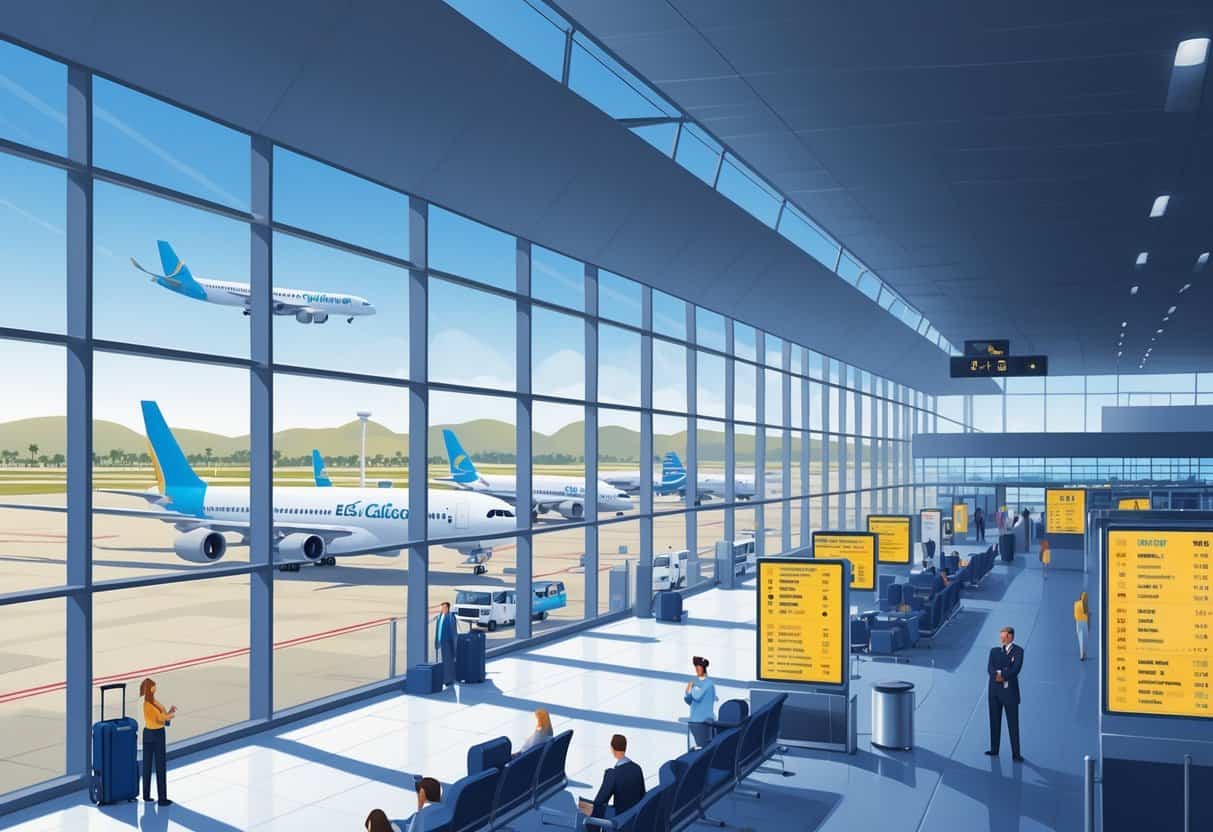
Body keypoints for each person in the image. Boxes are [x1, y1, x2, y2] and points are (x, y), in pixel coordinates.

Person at [579, 734, 645, 820]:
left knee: (582, 805)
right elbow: (642, 794)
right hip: (634, 816)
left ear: (612, 749)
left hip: (619, 819)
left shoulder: (612, 774)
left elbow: (600, 801)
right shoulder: (637, 768)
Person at [985, 626, 1025, 762]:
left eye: (1004, 635)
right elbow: (990, 668)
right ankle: (994, 749)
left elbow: (1015, 669)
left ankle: (1016, 754)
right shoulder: (994, 651)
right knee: (994, 722)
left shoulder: (1019, 651)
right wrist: (1002, 671)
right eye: (1001, 635)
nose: (1001, 638)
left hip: (1010, 694)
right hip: (994, 693)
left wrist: (1002, 674)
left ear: (1010, 636)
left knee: (1013, 725)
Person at [138, 677, 177, 806]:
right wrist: (169, 716)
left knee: (148, 764)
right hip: (156, 734)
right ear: (150, 688)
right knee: (160, 765)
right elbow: (159, 719)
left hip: (148, 734)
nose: (155, 688)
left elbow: (162, 715)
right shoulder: (148, 704)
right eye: (153, 686)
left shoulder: (152, 702)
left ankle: (146, 794)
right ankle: (162, 798)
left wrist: (169, 713)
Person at [685, 656, 717, 749]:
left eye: (699, 667)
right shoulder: (695, 682)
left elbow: (697, 696)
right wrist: (689, 690)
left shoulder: (708, 683)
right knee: (698, 746)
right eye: (696, 667)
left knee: (704, 746)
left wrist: (692, 688)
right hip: (694, 720)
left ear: (704, 668)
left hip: (704, 721)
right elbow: (688, 700)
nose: (697, 670)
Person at [433, 602, 459, 687]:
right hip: (440, 641)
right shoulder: (440, 617)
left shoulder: (450, 617)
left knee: (448, 662)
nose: (443, 609)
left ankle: (448, 679)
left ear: (448, 608)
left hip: (447, 642)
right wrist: (436, 641)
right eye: (442, 607)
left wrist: (453, 644)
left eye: (444, 607)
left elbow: (453, 631)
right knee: (442, 662)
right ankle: (443, 678)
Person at [1074, 592, 1090, 661]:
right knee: (1085, 639)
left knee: (1081, 639)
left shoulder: (1076, 603)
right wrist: (1089, 613)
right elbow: (1085, 612)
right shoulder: (1084, 604)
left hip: (1078, 622)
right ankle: (1083, 655)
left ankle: (1083, 655)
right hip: (1084, 622)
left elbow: (1075, 613)